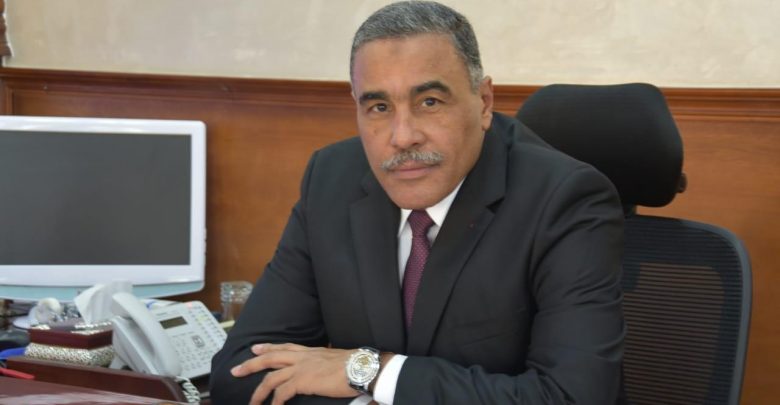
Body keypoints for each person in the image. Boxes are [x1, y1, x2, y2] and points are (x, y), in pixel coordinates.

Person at [210, 2, 624, 404]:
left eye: (429, 102)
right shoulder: (331, 180)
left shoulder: (564, 200)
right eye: (379, 107)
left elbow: (573, 396)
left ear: (483, 102)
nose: (403, 137)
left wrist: (371, 372)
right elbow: (241, 372)